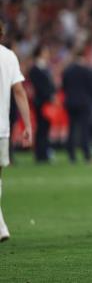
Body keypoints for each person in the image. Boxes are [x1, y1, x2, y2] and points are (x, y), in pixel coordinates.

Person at [0, 21, 32, 241]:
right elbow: (19, 91)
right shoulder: (8, 56)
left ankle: (1, 226)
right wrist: (28, 125)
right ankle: (1, 226)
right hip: (1, 129)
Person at [62, 52, 92, 163]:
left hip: (70, 103)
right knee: (84, 130)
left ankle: (71, 156)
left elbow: (64, 86)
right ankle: (87, 155)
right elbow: (91, 87)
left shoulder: (67, 71)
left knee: (71, 129)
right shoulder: (86, 71)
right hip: (83, 103)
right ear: (83, 57)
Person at [29, 45, 55, 163]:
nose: (47, 53)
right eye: (45, 51)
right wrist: (49, 95)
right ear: (39, 53)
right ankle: (40, 154)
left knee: (45, 129)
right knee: (41, 129)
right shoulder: (35, 68)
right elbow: (39, 86)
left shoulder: (45, 67)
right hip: (41, 103)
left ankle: (44, 153)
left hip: (47, 103)